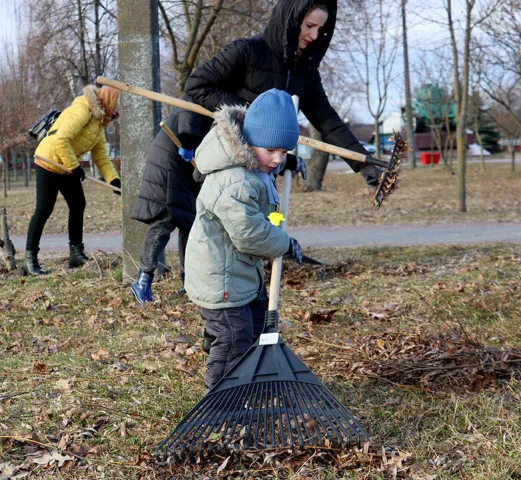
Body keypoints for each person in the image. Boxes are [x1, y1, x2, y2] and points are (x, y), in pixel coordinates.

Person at [130, 0, 377, 304]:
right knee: (178, 216)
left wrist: (363, 162)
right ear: (291, 20)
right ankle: (168, 284)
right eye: (309, 26)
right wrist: (254, 116)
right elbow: (197, 85)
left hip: (237, 157)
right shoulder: (247, 51)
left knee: (210, 221)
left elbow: (328, 121)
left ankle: (201, 289)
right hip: (190, 141)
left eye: (321, 29)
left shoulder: (305, 71)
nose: (314, 35)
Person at [184, 89, 305, 391]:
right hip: (221, 279)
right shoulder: (235, 181)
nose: (277, 159)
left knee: (255, 319)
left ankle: (224, 349)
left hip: (239, 273)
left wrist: (281, 164)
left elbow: (263, 180)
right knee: (235, 336)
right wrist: (284, 243)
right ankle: (220, 397)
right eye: (272, 151)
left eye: (285, 153)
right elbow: (249, 235)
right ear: (251, 142)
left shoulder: (253, 163)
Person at [24, 85, 122, 276]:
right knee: (44, 209)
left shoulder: (98, 124)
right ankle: (30, 260)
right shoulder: (82, 111)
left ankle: (76, 253)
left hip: (66, 165)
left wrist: (114, 180)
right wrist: (75, 167)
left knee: (78, 204)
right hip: (49, 161)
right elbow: (60, 140)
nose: (117, 111)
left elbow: (101, 157)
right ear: (108, 101)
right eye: (116, 106)